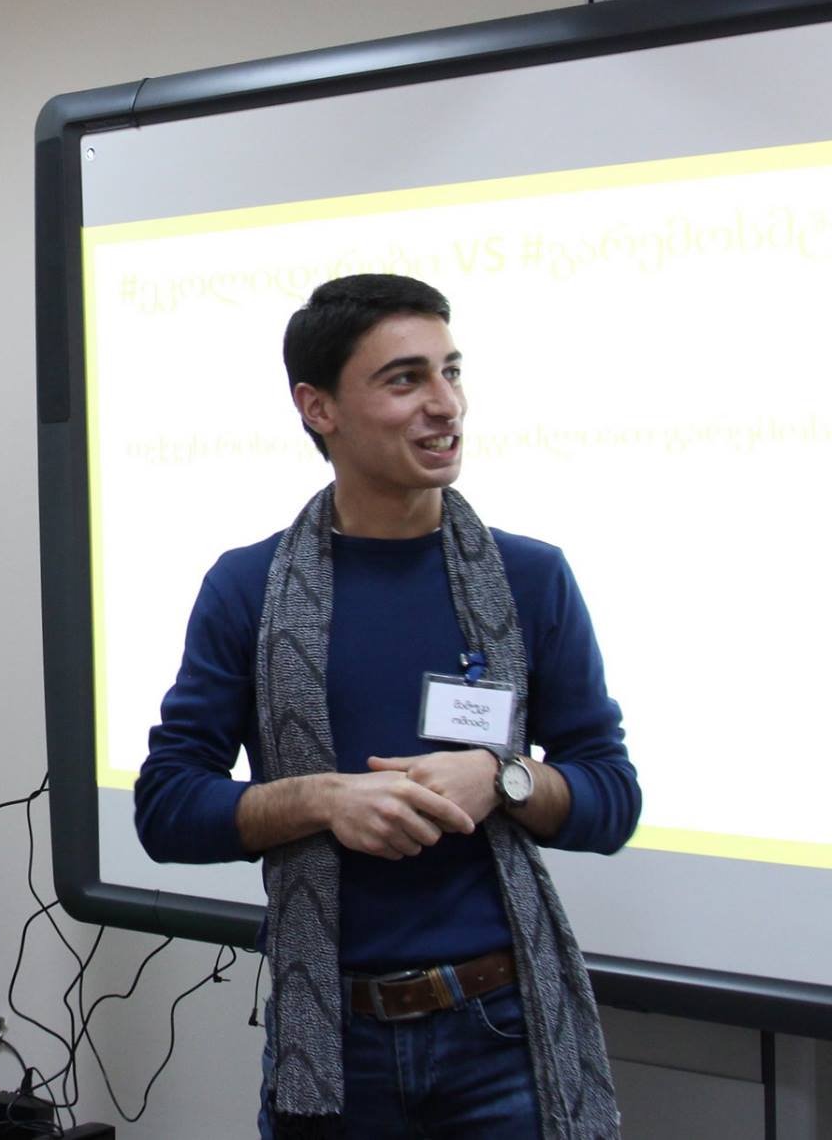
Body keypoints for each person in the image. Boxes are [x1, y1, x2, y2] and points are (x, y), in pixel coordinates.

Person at [135, 274, 641, 1140]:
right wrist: (321, 798)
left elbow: (612, 796)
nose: (446, 404)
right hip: (330, 1043)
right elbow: (168, 807)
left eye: (452, 371)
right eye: (406, 379)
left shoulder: (530, 577)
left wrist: (504, 777)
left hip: (503, 1036)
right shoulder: (248, 588)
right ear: (318, 407)